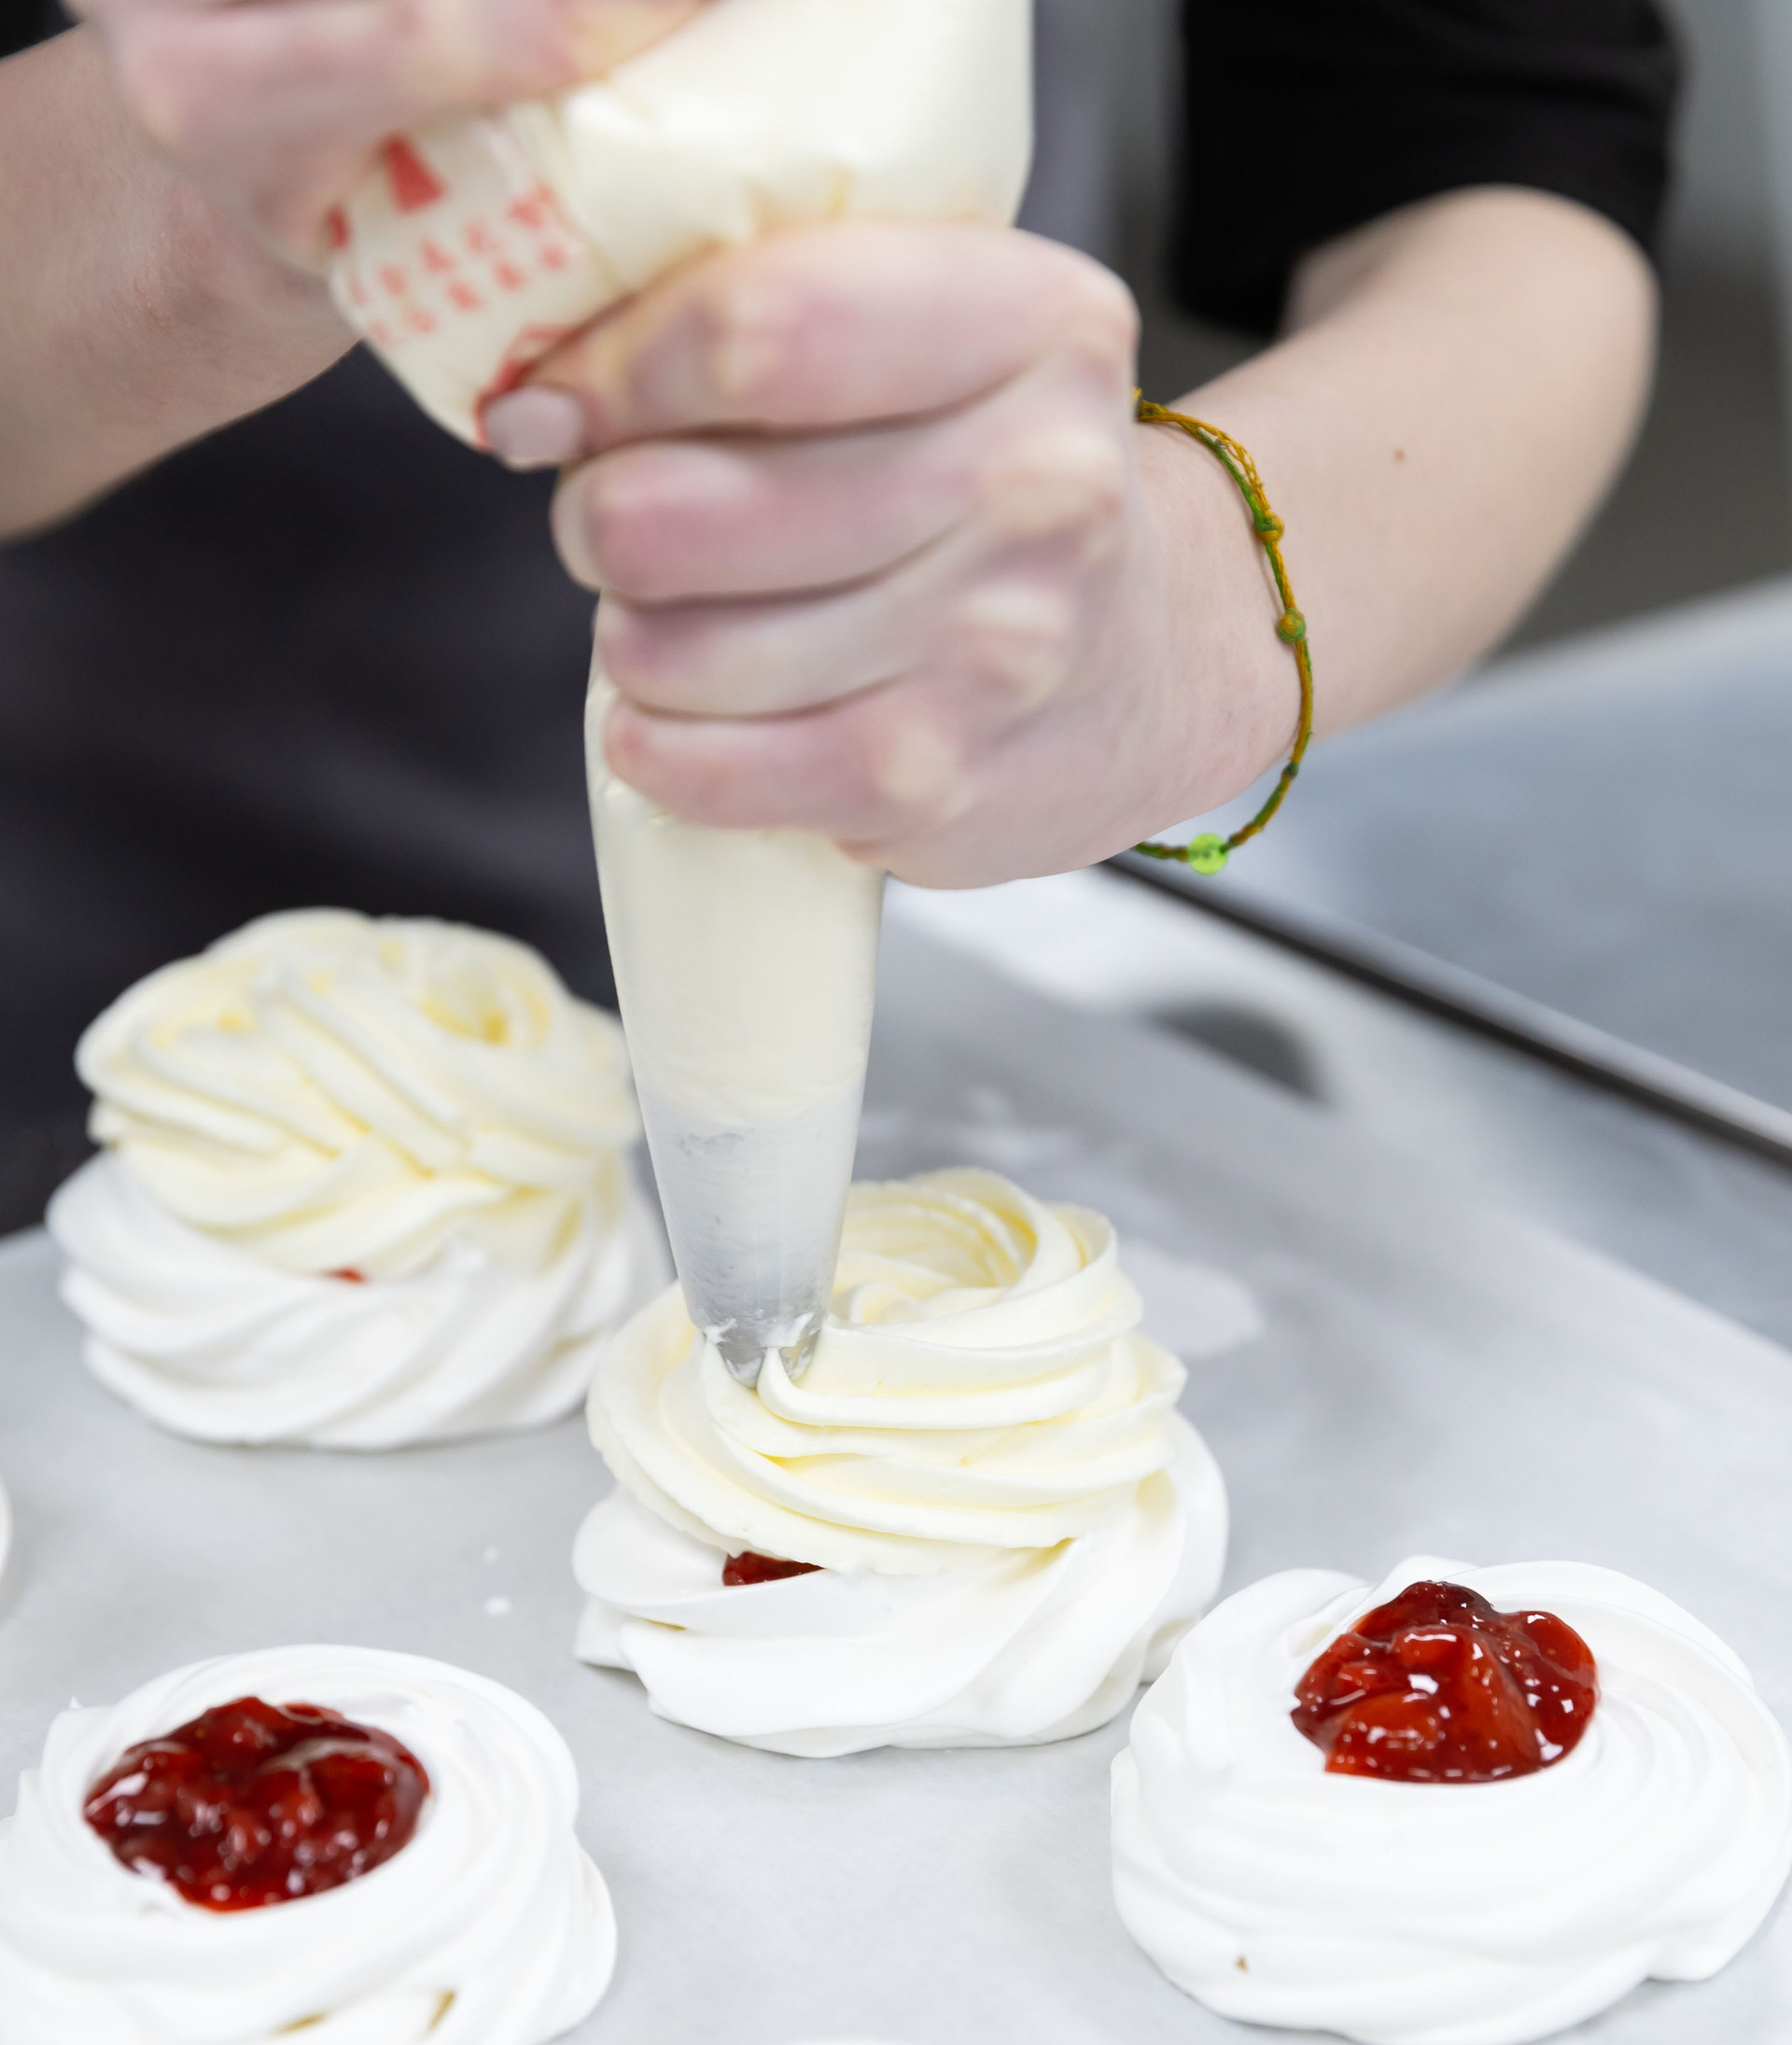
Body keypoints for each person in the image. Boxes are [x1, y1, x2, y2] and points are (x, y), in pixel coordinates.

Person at [0, 0, 1675, 1212]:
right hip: (73, 1000)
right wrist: (197, 203)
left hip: (948, 975)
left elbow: (1501, 158)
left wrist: (1196, 612)